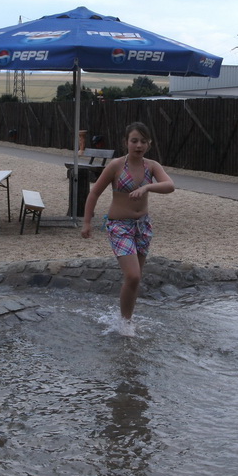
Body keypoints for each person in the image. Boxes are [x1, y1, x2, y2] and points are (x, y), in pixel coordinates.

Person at [81, 122, 175, 331]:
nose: (138, 145)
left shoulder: (151, 166)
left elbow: (170, 185)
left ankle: (127, 320)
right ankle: (124, 323)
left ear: (149, 144)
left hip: (142, 226)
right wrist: (87, 222)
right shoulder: (116, 166)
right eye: (134, 141)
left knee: (135, 279)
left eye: (143, 141)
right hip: (119, 226)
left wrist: (147, 187)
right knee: (133, 275)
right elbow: (94, 193)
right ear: (126, 142)